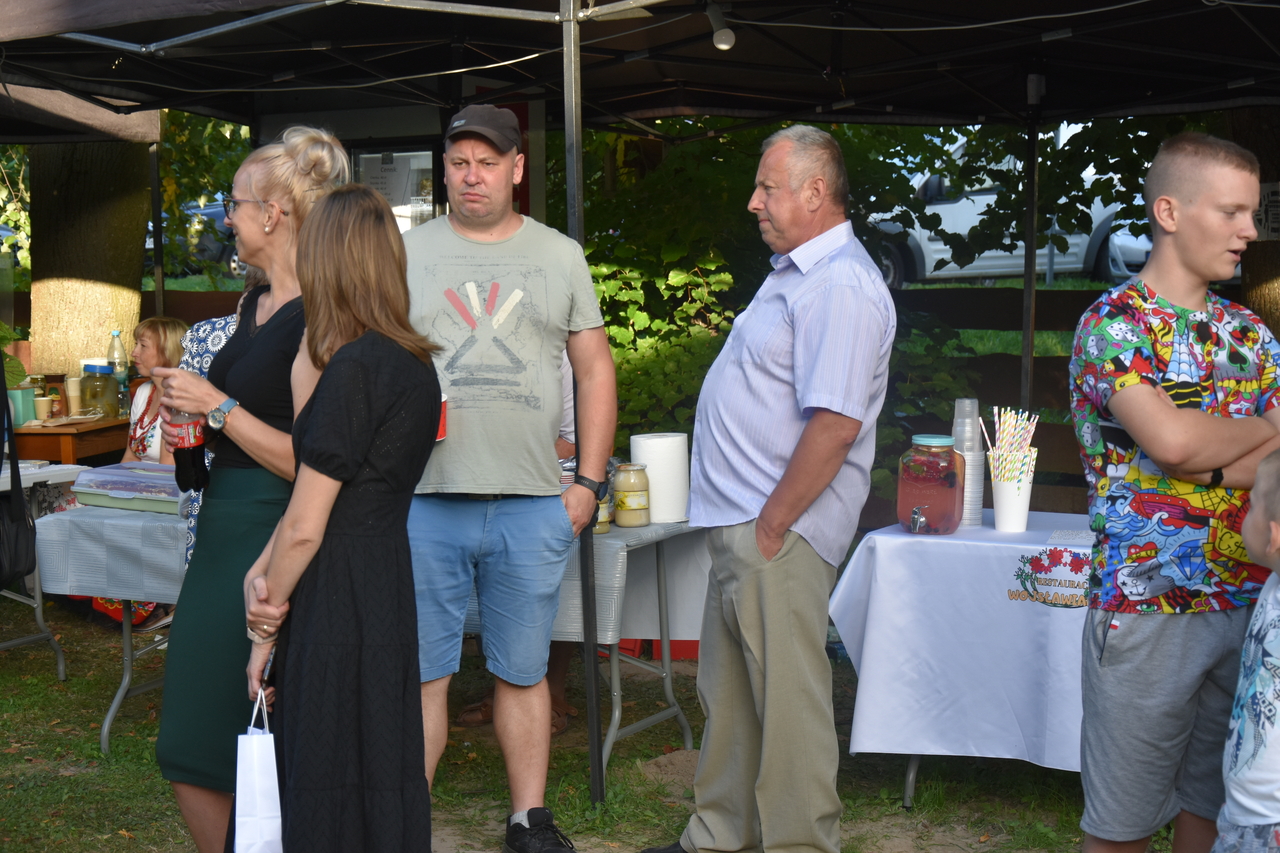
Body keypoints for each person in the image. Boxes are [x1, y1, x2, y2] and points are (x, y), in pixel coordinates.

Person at [644, 124, 895, 853]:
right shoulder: (796, 273)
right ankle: (718, 836)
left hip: (777, 529)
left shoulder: (840, 283)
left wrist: (774, 523)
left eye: (767, 187)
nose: (754, 202)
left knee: (789, 708)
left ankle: (799, 844)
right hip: (747, 523)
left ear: (815, 192)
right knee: (729, 699)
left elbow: (836, 424)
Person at [403, 103, 616, 852]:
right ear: (444, 169)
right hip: (424, 498)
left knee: (524, 672)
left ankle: (530, 820)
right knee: (421, 673)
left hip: (532, 500)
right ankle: (405, 822)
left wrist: (589, 483)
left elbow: (595, 369)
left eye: (488, 163)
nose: (472, 176)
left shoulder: (559, 255)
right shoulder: (405, 252)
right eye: (459, 162)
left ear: (517, 168)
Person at [1069, 132, 1280, 853]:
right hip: (1147, 604)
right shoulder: (1114, 325)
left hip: (1248, 601)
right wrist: (1257, 430)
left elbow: (1227, 456)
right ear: (1169, 211)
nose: (1250, 231)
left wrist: (1205, 460)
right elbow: (1172, 444)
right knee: (1121, 827)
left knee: (1214, 811)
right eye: (1231, 212)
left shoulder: (1251, 333)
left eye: (1252, 213)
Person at [152, 125, 348, 853]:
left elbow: (318, 461)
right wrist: (195, 429)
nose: (226, 218)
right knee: (190, 742)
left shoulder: (326, 314)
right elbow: (233, 423)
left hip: (279, 532)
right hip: (219, 533)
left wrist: (218, 406)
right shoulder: (250, 306)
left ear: (273, 212)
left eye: (233, 203)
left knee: (270, 736)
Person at [243, 183, 440, 852]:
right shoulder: (413, 364)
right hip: (383, 576)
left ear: (327, 260)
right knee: (377, 757)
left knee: (326, 764)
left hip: (336, 587)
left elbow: (307, 523)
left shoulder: (354, 370)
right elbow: (325, 488)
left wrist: (264, 619)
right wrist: (260, 570)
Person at [1212, 448, 1280, 853]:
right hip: (1247, 814)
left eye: (1250, 505)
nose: (1243, 516)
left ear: (1274, 536)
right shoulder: (1273, 583)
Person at [123, 315, 189, 465]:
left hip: (165, 478)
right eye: (136, 344)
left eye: (143, 346)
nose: (134, 352)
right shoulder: (142, 391)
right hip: (139, 477)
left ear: (168, 351)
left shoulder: (181, 399)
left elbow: (168, 469)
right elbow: (130, 456)